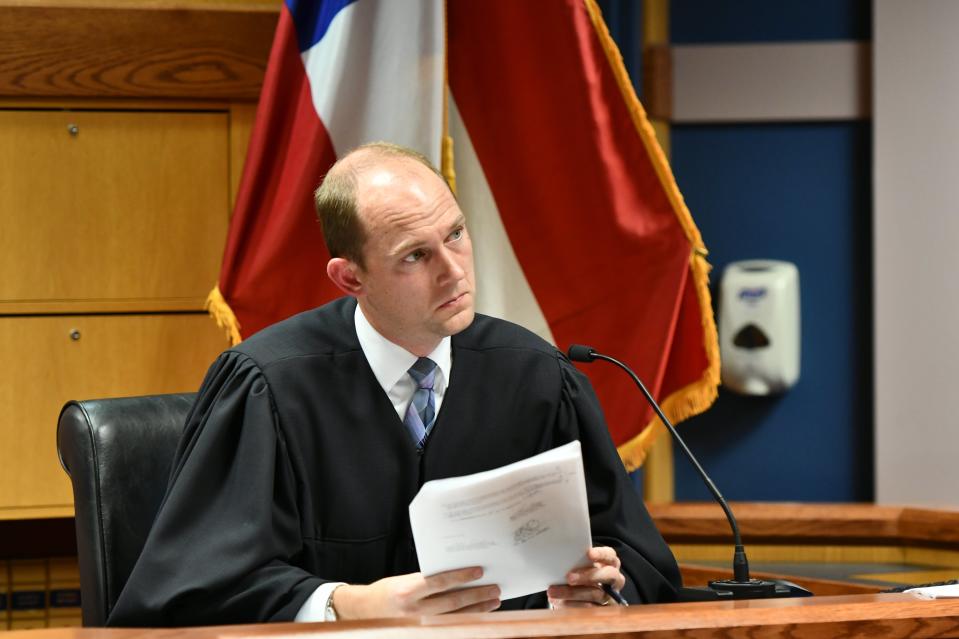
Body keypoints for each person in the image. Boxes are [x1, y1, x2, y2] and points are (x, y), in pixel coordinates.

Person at [108, 143, 681, 626]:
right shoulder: (268, 387)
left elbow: (641, 564)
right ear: (350, 277)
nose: (453, 270)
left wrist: (603, 588)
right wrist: (348, 606)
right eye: (415, 256)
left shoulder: (536, 377)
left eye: (455, 234)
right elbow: (185, 595)